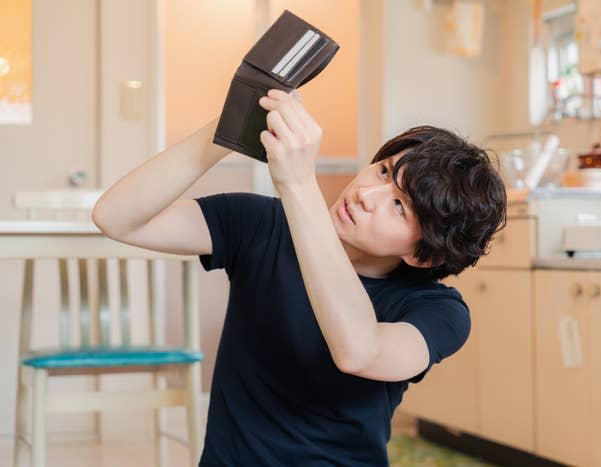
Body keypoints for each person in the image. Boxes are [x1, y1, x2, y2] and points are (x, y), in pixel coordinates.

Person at [92, 89, 507, 466]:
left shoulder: (438, 311)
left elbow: (361, 351)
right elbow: (116, 218)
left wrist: (298, 184)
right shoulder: (263, 225)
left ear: (423, 254)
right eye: (383, 172)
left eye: (400, 206)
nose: (366, 194)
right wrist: (227, 129)